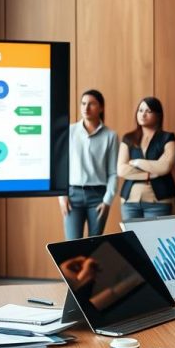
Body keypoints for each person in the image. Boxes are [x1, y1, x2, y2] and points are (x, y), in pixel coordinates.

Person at [59, 90, 119, 239]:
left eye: (91, 104)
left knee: (95, 247)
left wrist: (107, 201)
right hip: (72, 196)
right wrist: (62, 195)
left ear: (101, 108)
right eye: (83, 103)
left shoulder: (110, 136)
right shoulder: (69, 131)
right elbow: (61, 167)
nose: (86, 108)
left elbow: (113, 172)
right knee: (71, 246)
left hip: (98, 197)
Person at [117, 97, 175, 219]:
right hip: (129, 202)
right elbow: (121, 170)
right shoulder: (128, 138)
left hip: (158, 202)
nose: (143, 114)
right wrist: (150, 174)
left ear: (158, 115)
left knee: (155, 238)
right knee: (131, 238)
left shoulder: (167, 138)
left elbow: (165, 167)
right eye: (140, 110)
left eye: (148, 111)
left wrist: (137, 162)